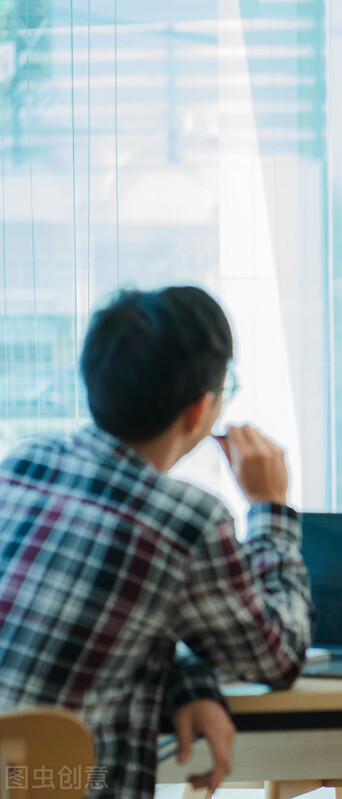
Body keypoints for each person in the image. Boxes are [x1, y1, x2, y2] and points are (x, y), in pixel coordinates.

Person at [0, 286, 312, 798]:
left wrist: (187, 680)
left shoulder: (24, 464)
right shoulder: (186, 523)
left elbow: (110, 624)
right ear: (197, 413)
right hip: (68, 783)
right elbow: (278, 657)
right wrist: (270, 508)